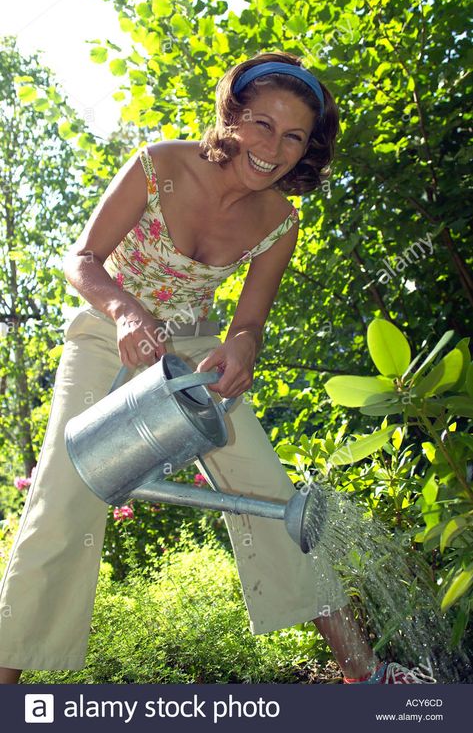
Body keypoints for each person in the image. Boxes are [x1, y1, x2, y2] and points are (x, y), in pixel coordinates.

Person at [0, 51, 434, 685]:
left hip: (191, 353)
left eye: (294, 137)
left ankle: (363, 675)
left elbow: (248, 323)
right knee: (62, 500)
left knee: (271, 494)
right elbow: (83, 259)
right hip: (105, 335)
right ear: (232, 115)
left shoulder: (280, 220)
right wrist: (124, 313)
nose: (274, 148)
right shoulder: (158, 164)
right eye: (261, 124)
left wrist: (243, 348)